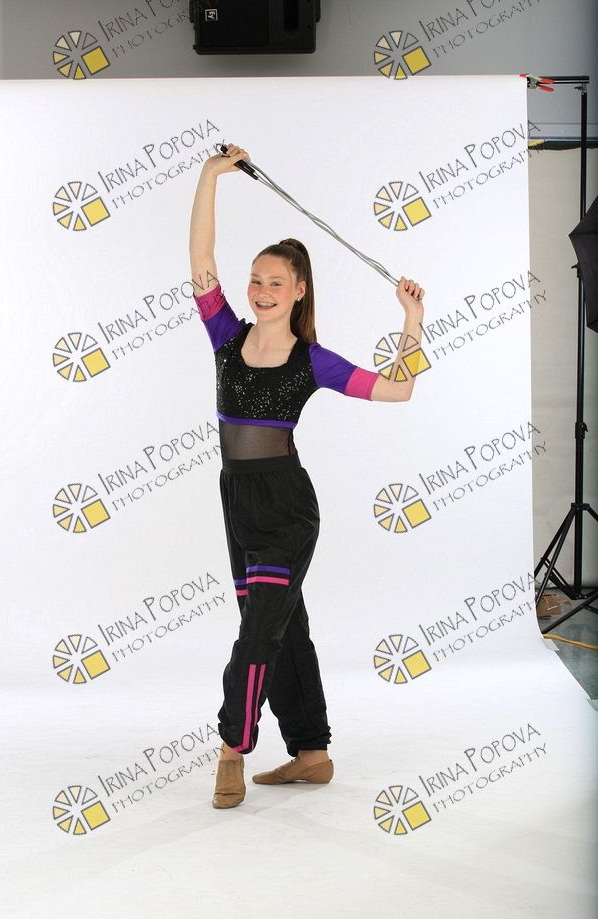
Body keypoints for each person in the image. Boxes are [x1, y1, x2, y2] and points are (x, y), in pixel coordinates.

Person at [189, 143, 425, 809]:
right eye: (255, 281)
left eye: (275, 283)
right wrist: (210, 177)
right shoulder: (225, 337)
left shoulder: (312, 360)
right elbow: (199, 258)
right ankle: (312, 751)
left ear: (298, 291)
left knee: (257, 632)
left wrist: (411, 324)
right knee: (283, 626)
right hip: (236, 500)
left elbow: (398, 389)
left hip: (287, 510)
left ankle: (231, 747)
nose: (261, 292)